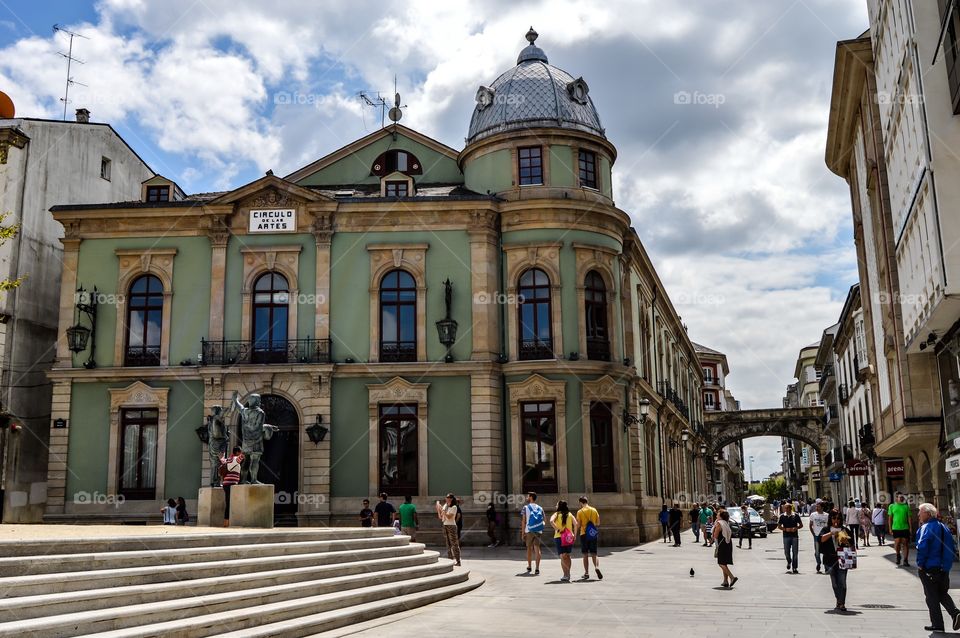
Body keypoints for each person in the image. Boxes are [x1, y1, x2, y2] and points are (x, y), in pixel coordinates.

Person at [916, 502, 960, 632]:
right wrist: (946, 565)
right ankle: (955, 613)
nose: (918, 514)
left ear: (928, 514)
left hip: (929, 567)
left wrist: (920, 564)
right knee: (941, 593)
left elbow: (922, 547)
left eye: (920, 512)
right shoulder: (943, 527)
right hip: (944, 568)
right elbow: (952, 547)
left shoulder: (926, 528)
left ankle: (938, 624)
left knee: (931, 597)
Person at [820, 509, 852, 612]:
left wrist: (845, 540)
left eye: (838, 518)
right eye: (834, 518)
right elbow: (821, 539)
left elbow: (851, 544)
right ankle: (838, 600)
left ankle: (841, 603)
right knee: (834, 583)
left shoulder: (844, 530)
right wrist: (831, 533)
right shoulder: (826, 529)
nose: (836, 520)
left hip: (842, 558)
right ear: (830, 519)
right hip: (829, 558)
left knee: (842, 582)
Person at [550, 500, 579, 582]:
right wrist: (574, 535)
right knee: (567, 555)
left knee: (563, 556)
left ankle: (565, 574)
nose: (556, 506)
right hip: (569, 537)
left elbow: (551, 521)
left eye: (556, 505)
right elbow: (576, 524)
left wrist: (557, 529)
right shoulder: (570, 514)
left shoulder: (556, 514)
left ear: (559, 506)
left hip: (559, 537)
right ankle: (568, 574)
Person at [576, 496, 602, 580]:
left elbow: (578, 525)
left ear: (580, 502)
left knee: (585, 554)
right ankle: (597, 567)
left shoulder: (580, 512)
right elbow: (598, 523)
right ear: (587, 501)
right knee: (594, 553)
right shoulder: (594, 510)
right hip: (593, 534)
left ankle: (586, 573)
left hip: (584, 534)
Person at [521, 492, 545, 575]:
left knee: (529, 549)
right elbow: (544, 520)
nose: (527, 497)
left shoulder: (525, 508)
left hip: (529, 530)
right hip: (538, 530)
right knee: (537, 549)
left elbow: (523, 521)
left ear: (531, 497)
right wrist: (539, 527)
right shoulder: (540, 508)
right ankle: (537, 568)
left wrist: (522, 532)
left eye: (528, 496)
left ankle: (529, 566)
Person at [219, 447, 243, 527]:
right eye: (240, 451)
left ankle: (226, 522)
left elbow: (222, 460)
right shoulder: (235, 458)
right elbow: (241, 458)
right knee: (229, 504)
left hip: (226, 484)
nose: (240, 453)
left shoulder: (228, 459)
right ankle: (226, 523)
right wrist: (245, 453)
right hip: (231, 484)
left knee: (228, 503)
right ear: (237, 452)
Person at [713, 509, 737, 588]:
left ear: (720, 516)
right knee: (724, 563)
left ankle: (732, 577)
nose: (716, 515)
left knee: (721, 563)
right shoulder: (726, 523)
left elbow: (715, 536)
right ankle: (725, 581)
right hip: (728, 543)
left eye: (718, 514)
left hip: (722, 544)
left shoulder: (719, 523)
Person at [888, 492, 912, 567]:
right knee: (897, 542)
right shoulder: (892, 506)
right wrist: (890, 528)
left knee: (905, 543)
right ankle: (898, 555)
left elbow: (909, 518)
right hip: (896, 527)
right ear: (896, 498)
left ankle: (905, 560)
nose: (901, 498)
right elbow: (890, 518)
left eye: (902, 497)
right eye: (900, 497)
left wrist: (910, 528)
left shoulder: (906, 507)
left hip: (905, 527)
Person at [778, 502, 803, 574]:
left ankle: (795, 567)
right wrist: (785, 529)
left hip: (794, 536)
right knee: (786, 552)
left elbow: (801, 525)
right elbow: (779, 526)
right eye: (785, 508)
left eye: (788, 508)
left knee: (795, 553)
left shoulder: (795, 515)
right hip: (786, 536)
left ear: (790, 508)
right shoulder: (782, 516)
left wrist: (796, 528)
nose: (786, 509)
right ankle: (789, 561)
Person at [437, 493, 461, 566]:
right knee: (448, 544)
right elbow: (441, 516)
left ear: (451, 499)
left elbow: (449, 517)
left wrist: (442, 510)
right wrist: (438, 509)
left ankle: (458, 560)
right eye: (446, 497)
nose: (446, 499)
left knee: (454, 544)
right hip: (445, 525)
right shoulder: (445, 505)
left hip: (451, 526)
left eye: (448, 497)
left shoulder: (454, 507)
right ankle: (450, 560)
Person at [809, 501, 830, 573]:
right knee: (817, 552)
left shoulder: (827, 515)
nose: (817, 508)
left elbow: (829, 526)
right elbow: (810, 525)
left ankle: (826, 566)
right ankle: (818, 563)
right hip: (816, 535)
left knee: (825, 551)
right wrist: (813, 533)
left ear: (822, 507)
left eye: (818, 507)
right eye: (816, 507)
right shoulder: (813, 515)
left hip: (824, 536)